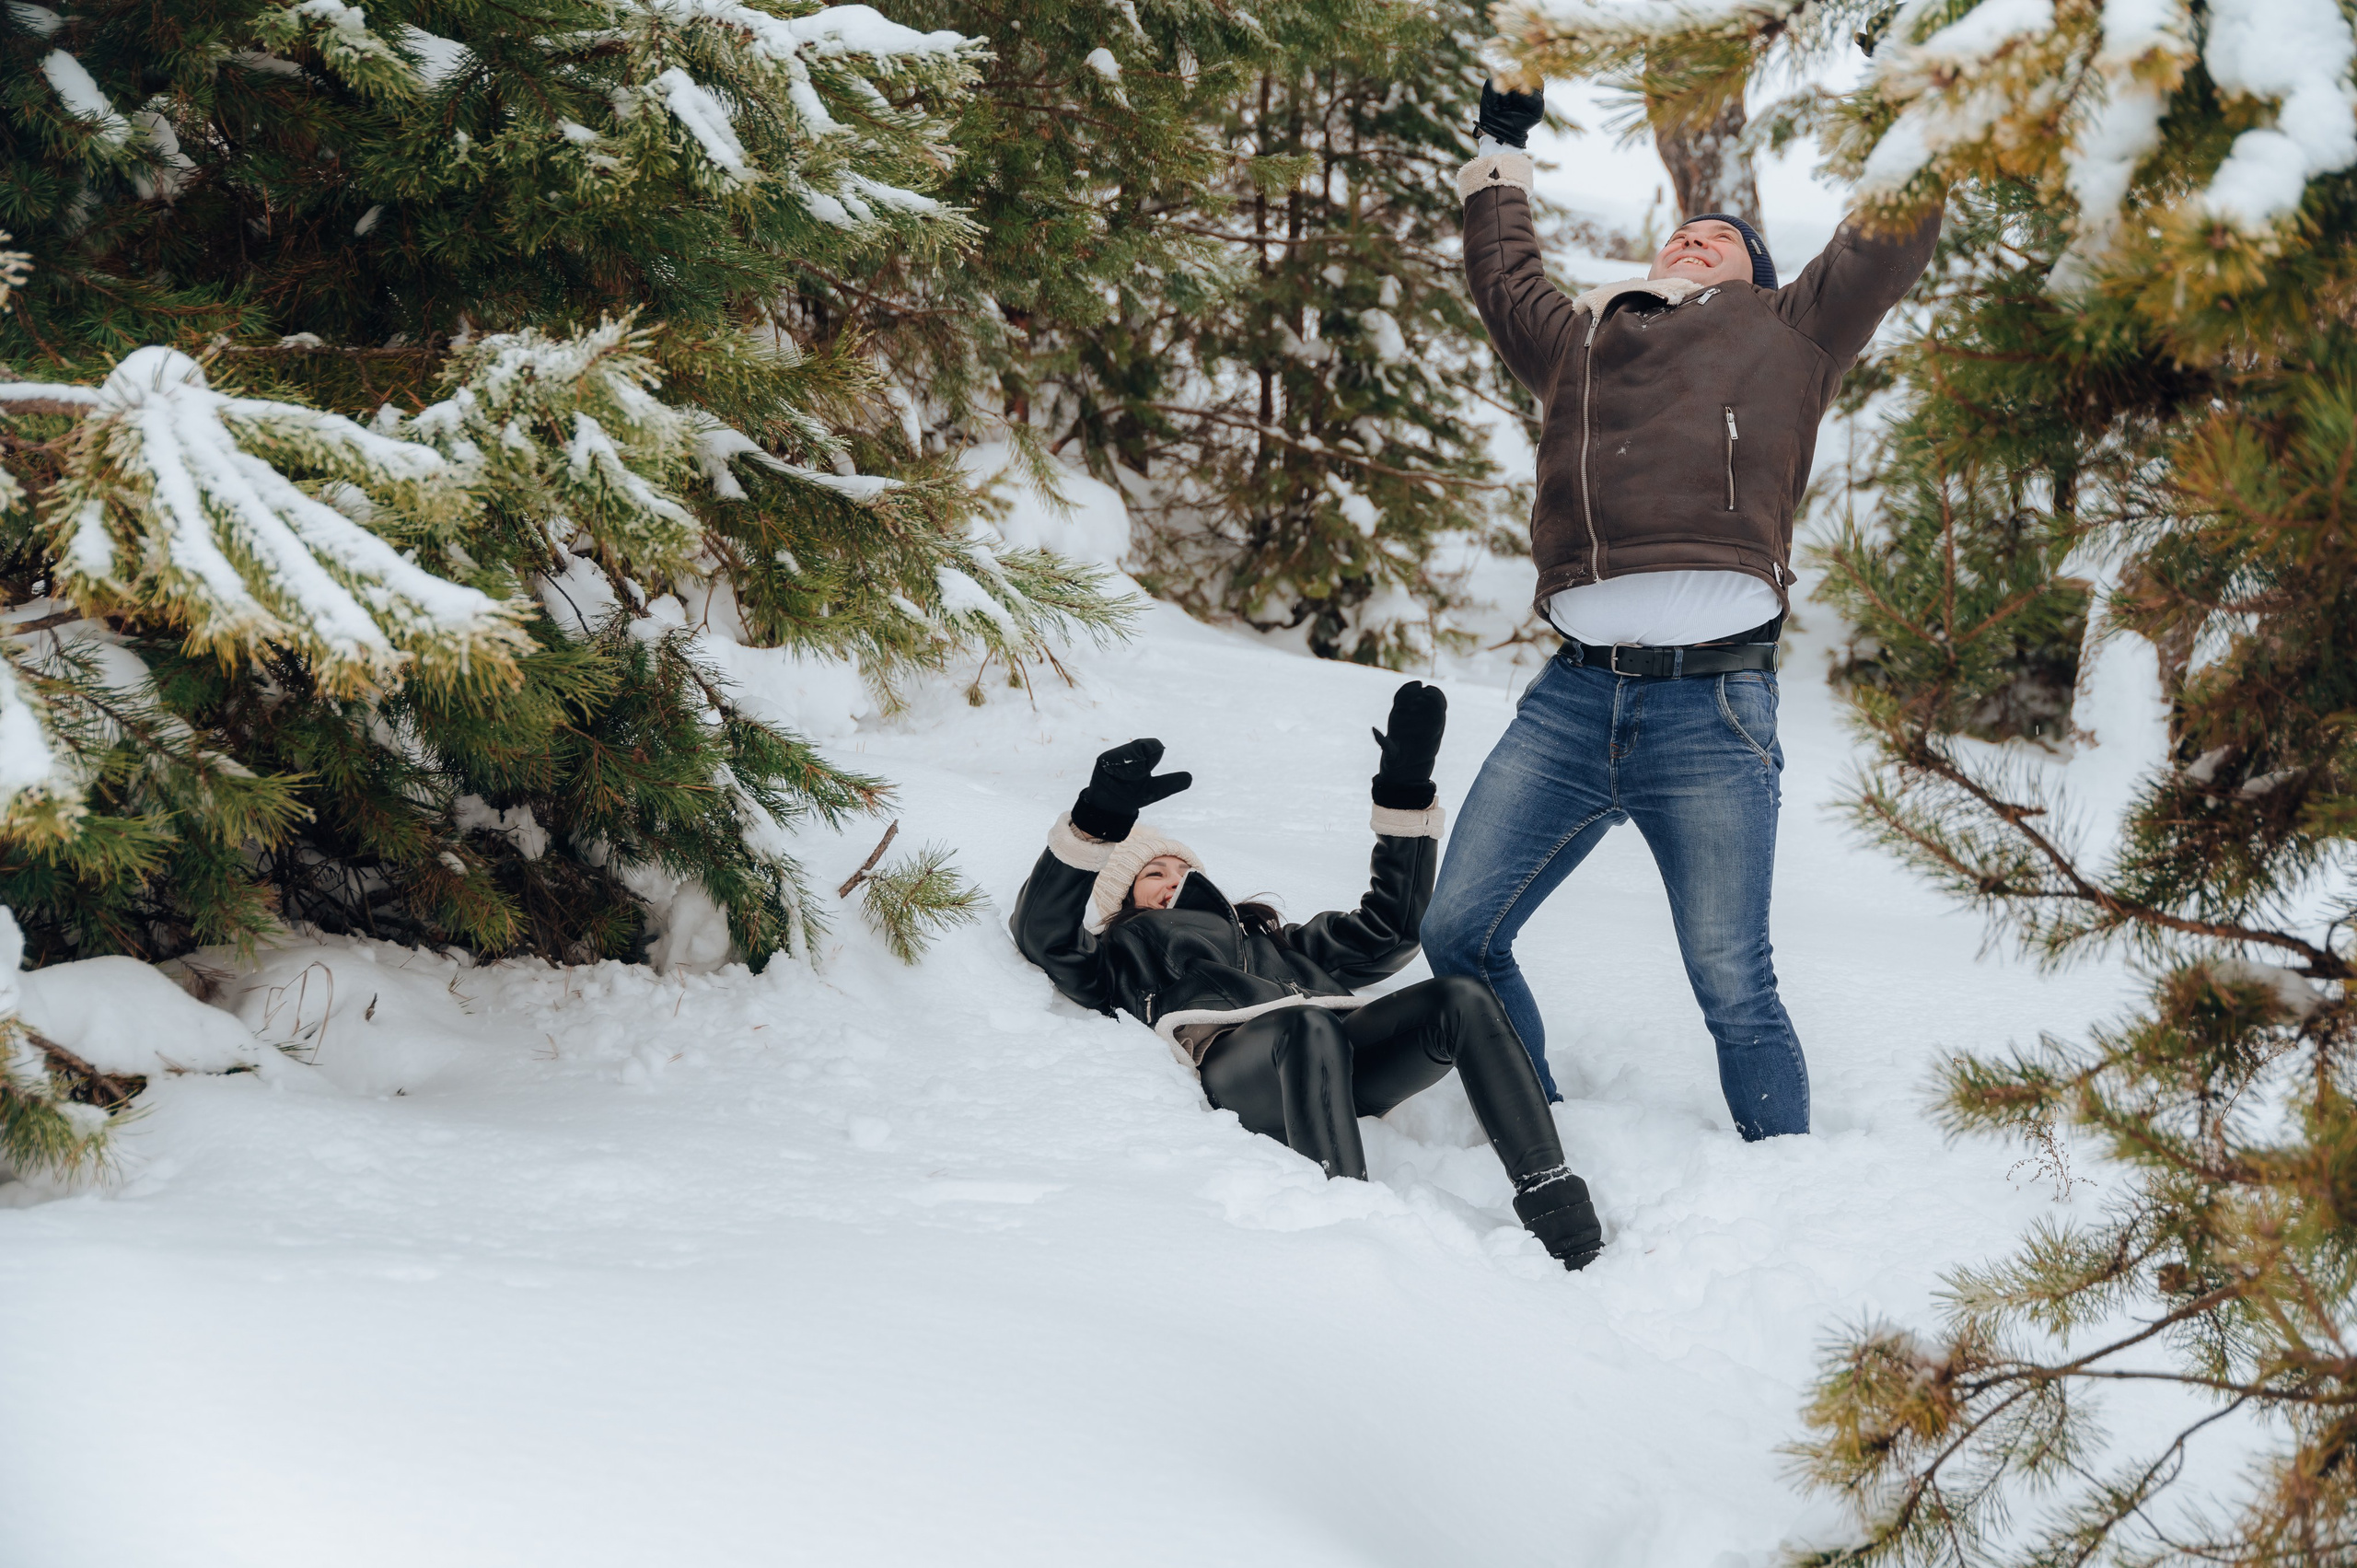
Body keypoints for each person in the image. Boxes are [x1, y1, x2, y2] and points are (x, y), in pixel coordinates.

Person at [1424, 80, 1943, 1138]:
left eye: (1724, 235)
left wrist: (1913, 106)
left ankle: (1785, 1186)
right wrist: (1501, 145)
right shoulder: (1577, 343)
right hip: (1569, 705)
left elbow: (1880, 245)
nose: (1698, 237)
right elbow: (1501, 271)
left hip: (1712, 713)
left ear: (1759, 270)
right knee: (1457, 933)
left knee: (1731, 983)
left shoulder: (1791, 333)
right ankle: (1534, 1132)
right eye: (1684, 230)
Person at [1010, 681, 1604, 1270]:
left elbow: (1391, 929)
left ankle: (1553, 1199)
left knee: (1462, 998)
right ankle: (1352, 1228)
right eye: (1151, 874)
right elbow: (1045, 935)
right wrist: (1098, 820)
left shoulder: (1274, 942)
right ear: (1123, 897)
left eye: (1180, 869)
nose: (1170, 881)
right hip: (1245, 1071)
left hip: (1339, 1055)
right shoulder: (1123, 952)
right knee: (1305, 1028)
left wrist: (1405, 788)